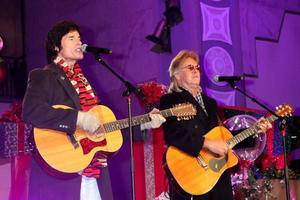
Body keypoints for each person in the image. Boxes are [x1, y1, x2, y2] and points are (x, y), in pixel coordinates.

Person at [22, 20, 165, 200]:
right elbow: (31, 111)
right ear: (55, 46)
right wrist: (77, 119)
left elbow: (107, 128)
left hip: (96, 173)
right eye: (71, 38)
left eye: (79, 38)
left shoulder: (85, 83)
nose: (79, 43)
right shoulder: (43, 75)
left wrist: (144, 124)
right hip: (62, 173)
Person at [159, 50, 272, 200]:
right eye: (190, 67)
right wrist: (207, 144)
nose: (196, 71)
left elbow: (225, 139)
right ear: (177, 76)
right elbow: (173, 134)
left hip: (217, 177)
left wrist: (255, 130)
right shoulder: (170, 100)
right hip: (192, 176)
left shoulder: (210, 103)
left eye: (197, 67)